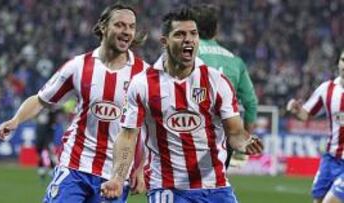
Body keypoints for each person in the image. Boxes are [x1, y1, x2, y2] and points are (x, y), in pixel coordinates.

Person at [101, 7, 263, 203]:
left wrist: (245, 142)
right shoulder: (143, 83)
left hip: (215, 186)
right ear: (164, 41)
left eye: (193, 34)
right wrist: (118, 178)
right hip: (168, 187)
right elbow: (128, 136)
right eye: (180, 34)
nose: (188, 39)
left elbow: (235, 133)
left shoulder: (216, 81)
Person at [0, 4, 148, 203]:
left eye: (131, 26)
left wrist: (142, 168)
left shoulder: (144, 74)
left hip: (116, 175)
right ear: (103, 27)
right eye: (120, 25)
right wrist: (15, 120)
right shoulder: (79, 66)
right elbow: (42, 100)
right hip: (75, 166)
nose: (127, 31)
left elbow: (152, 129)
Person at [193, 4, 258, 168]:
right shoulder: (235, 61)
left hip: (190, 132)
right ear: (216, 30)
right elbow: (251, 104)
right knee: (215, 184)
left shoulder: (186, 53)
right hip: (224, 137)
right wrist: (245, 140)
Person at [287, 49, 344, 203]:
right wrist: (297, 110)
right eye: (342, 60)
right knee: (317, 199)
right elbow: (306, 114)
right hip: (331, 159)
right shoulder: (327, 89)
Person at [35, 109, 58, 182]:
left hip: (47, 139)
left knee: (51, 155)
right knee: (41, 155)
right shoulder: (40, 113)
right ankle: (42, 173)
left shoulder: (51, 114)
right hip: (40, 138)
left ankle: (52, 172)